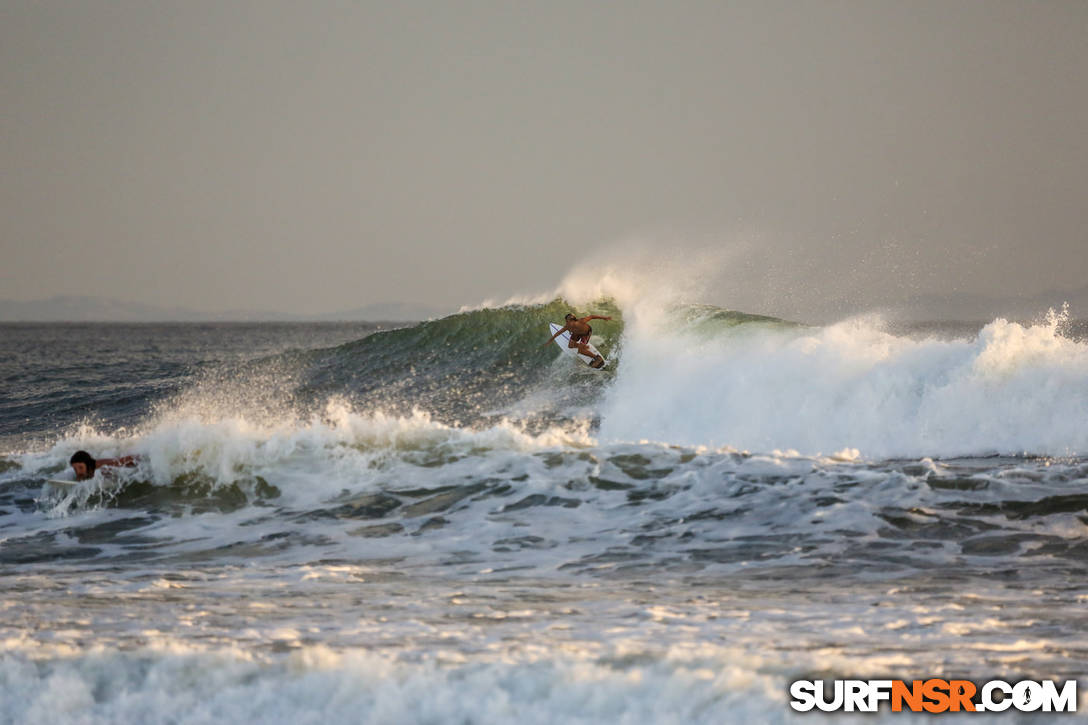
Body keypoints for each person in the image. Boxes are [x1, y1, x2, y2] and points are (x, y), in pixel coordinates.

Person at [543, 312, 613, 366]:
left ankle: (596, 357)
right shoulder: (568, 326)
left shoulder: (581, 321)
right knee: (570, 346)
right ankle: (584, 346)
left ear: (572, 320)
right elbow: (558, 333)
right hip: (576, 333)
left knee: (581, 351)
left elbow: (592, 316)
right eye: (566, 321)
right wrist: (549, 341)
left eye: (567, 321)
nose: (566, 323)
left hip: (585, 334)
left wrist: (604, 318)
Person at [69, 450, 138, 481]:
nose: (78, 472)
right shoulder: (88, 470)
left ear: (88, 464)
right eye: (75, 469)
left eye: (81, 467)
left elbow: (127, 460)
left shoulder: (102, 468)